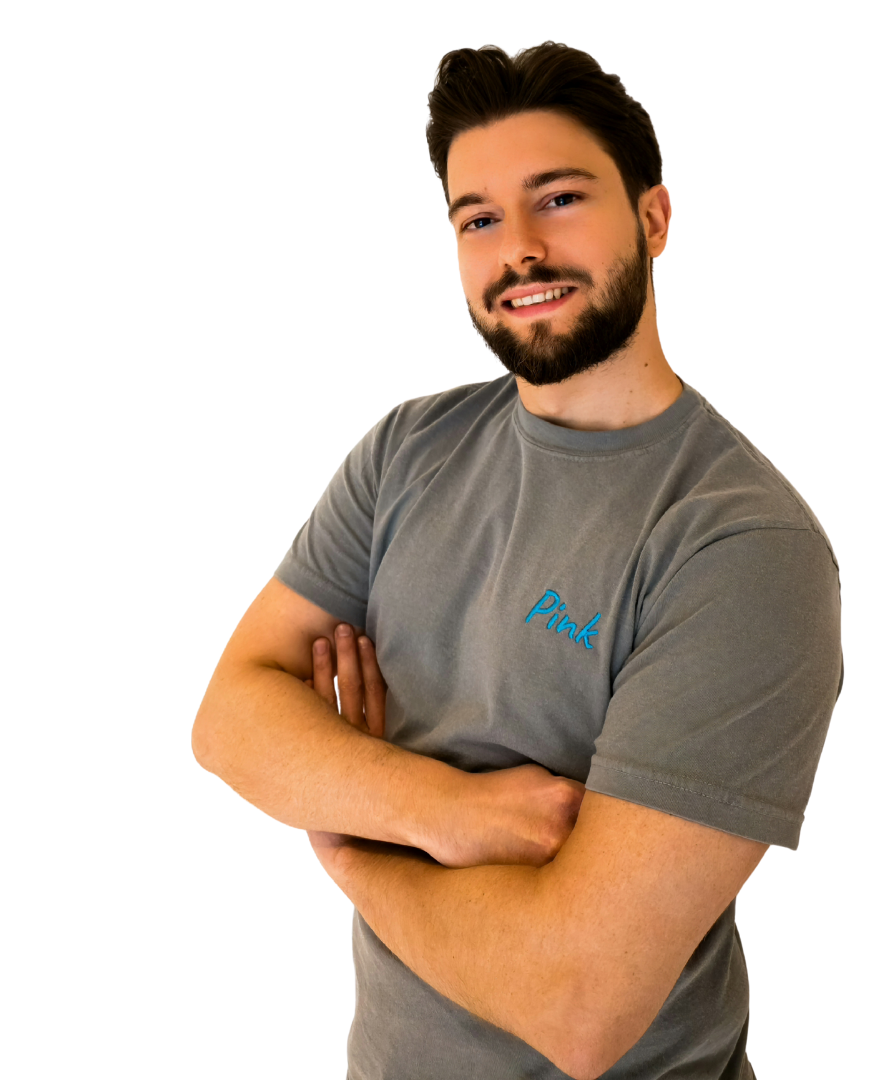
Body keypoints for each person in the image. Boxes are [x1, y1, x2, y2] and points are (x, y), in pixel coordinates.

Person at [192, 41, 843, 1080]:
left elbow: (579, 1005)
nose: (521, 250)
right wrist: (435, 810)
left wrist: (351, 841)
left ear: (655, 218)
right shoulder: (409, 454)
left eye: (560, 198)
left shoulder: (738, 549)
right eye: (480, 219)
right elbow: (230, 718)